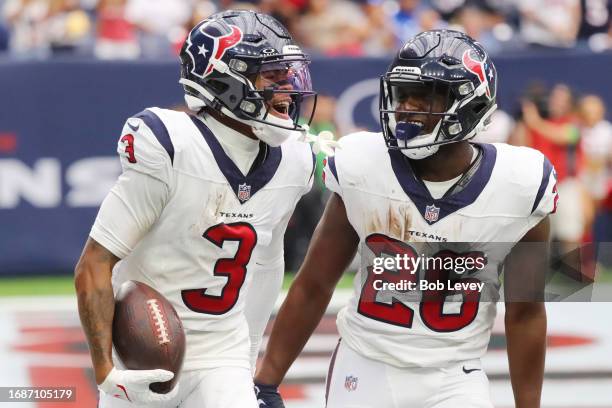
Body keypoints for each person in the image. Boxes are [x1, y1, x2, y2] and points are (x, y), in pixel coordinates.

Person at [255, 30, 556, 408]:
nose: (407, 106)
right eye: (403, 93)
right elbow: (314, 284)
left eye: (427, 94)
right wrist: (266, 382)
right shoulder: (365, 164)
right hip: (366, 366)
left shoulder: (521, 184)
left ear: (471, 104)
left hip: (455, 376)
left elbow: (526, 311)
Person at [75, 10, 319, 408]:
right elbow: (94, 263)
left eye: (288, 75)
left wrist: (248, 363)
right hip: (142, 352)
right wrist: (106, 373)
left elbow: (267, 262)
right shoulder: (169, 144)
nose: (287, 90)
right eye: (271, 76)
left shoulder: (295, 160)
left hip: (223, 355)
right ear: (223, 80)